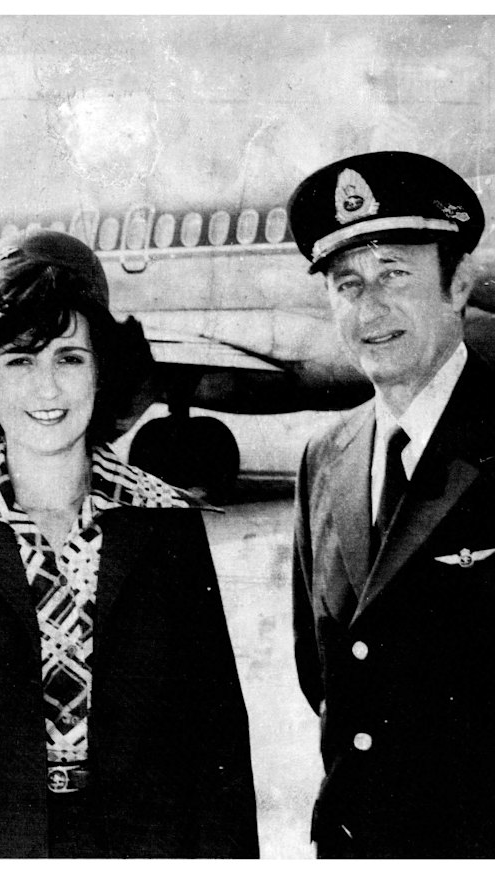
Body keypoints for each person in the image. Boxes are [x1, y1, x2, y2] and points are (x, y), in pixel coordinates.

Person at [0, 229, 259, 859]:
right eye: (19, 359)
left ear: (103, 370)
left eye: (70, 358)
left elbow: (216, 750)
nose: (47, 388)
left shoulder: (167, 524)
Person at [287, 150, 495, 858]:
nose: (369, 307)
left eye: (394, 275)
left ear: (458, 282)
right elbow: (322, 675)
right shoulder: (325, 457)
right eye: (347, 284)